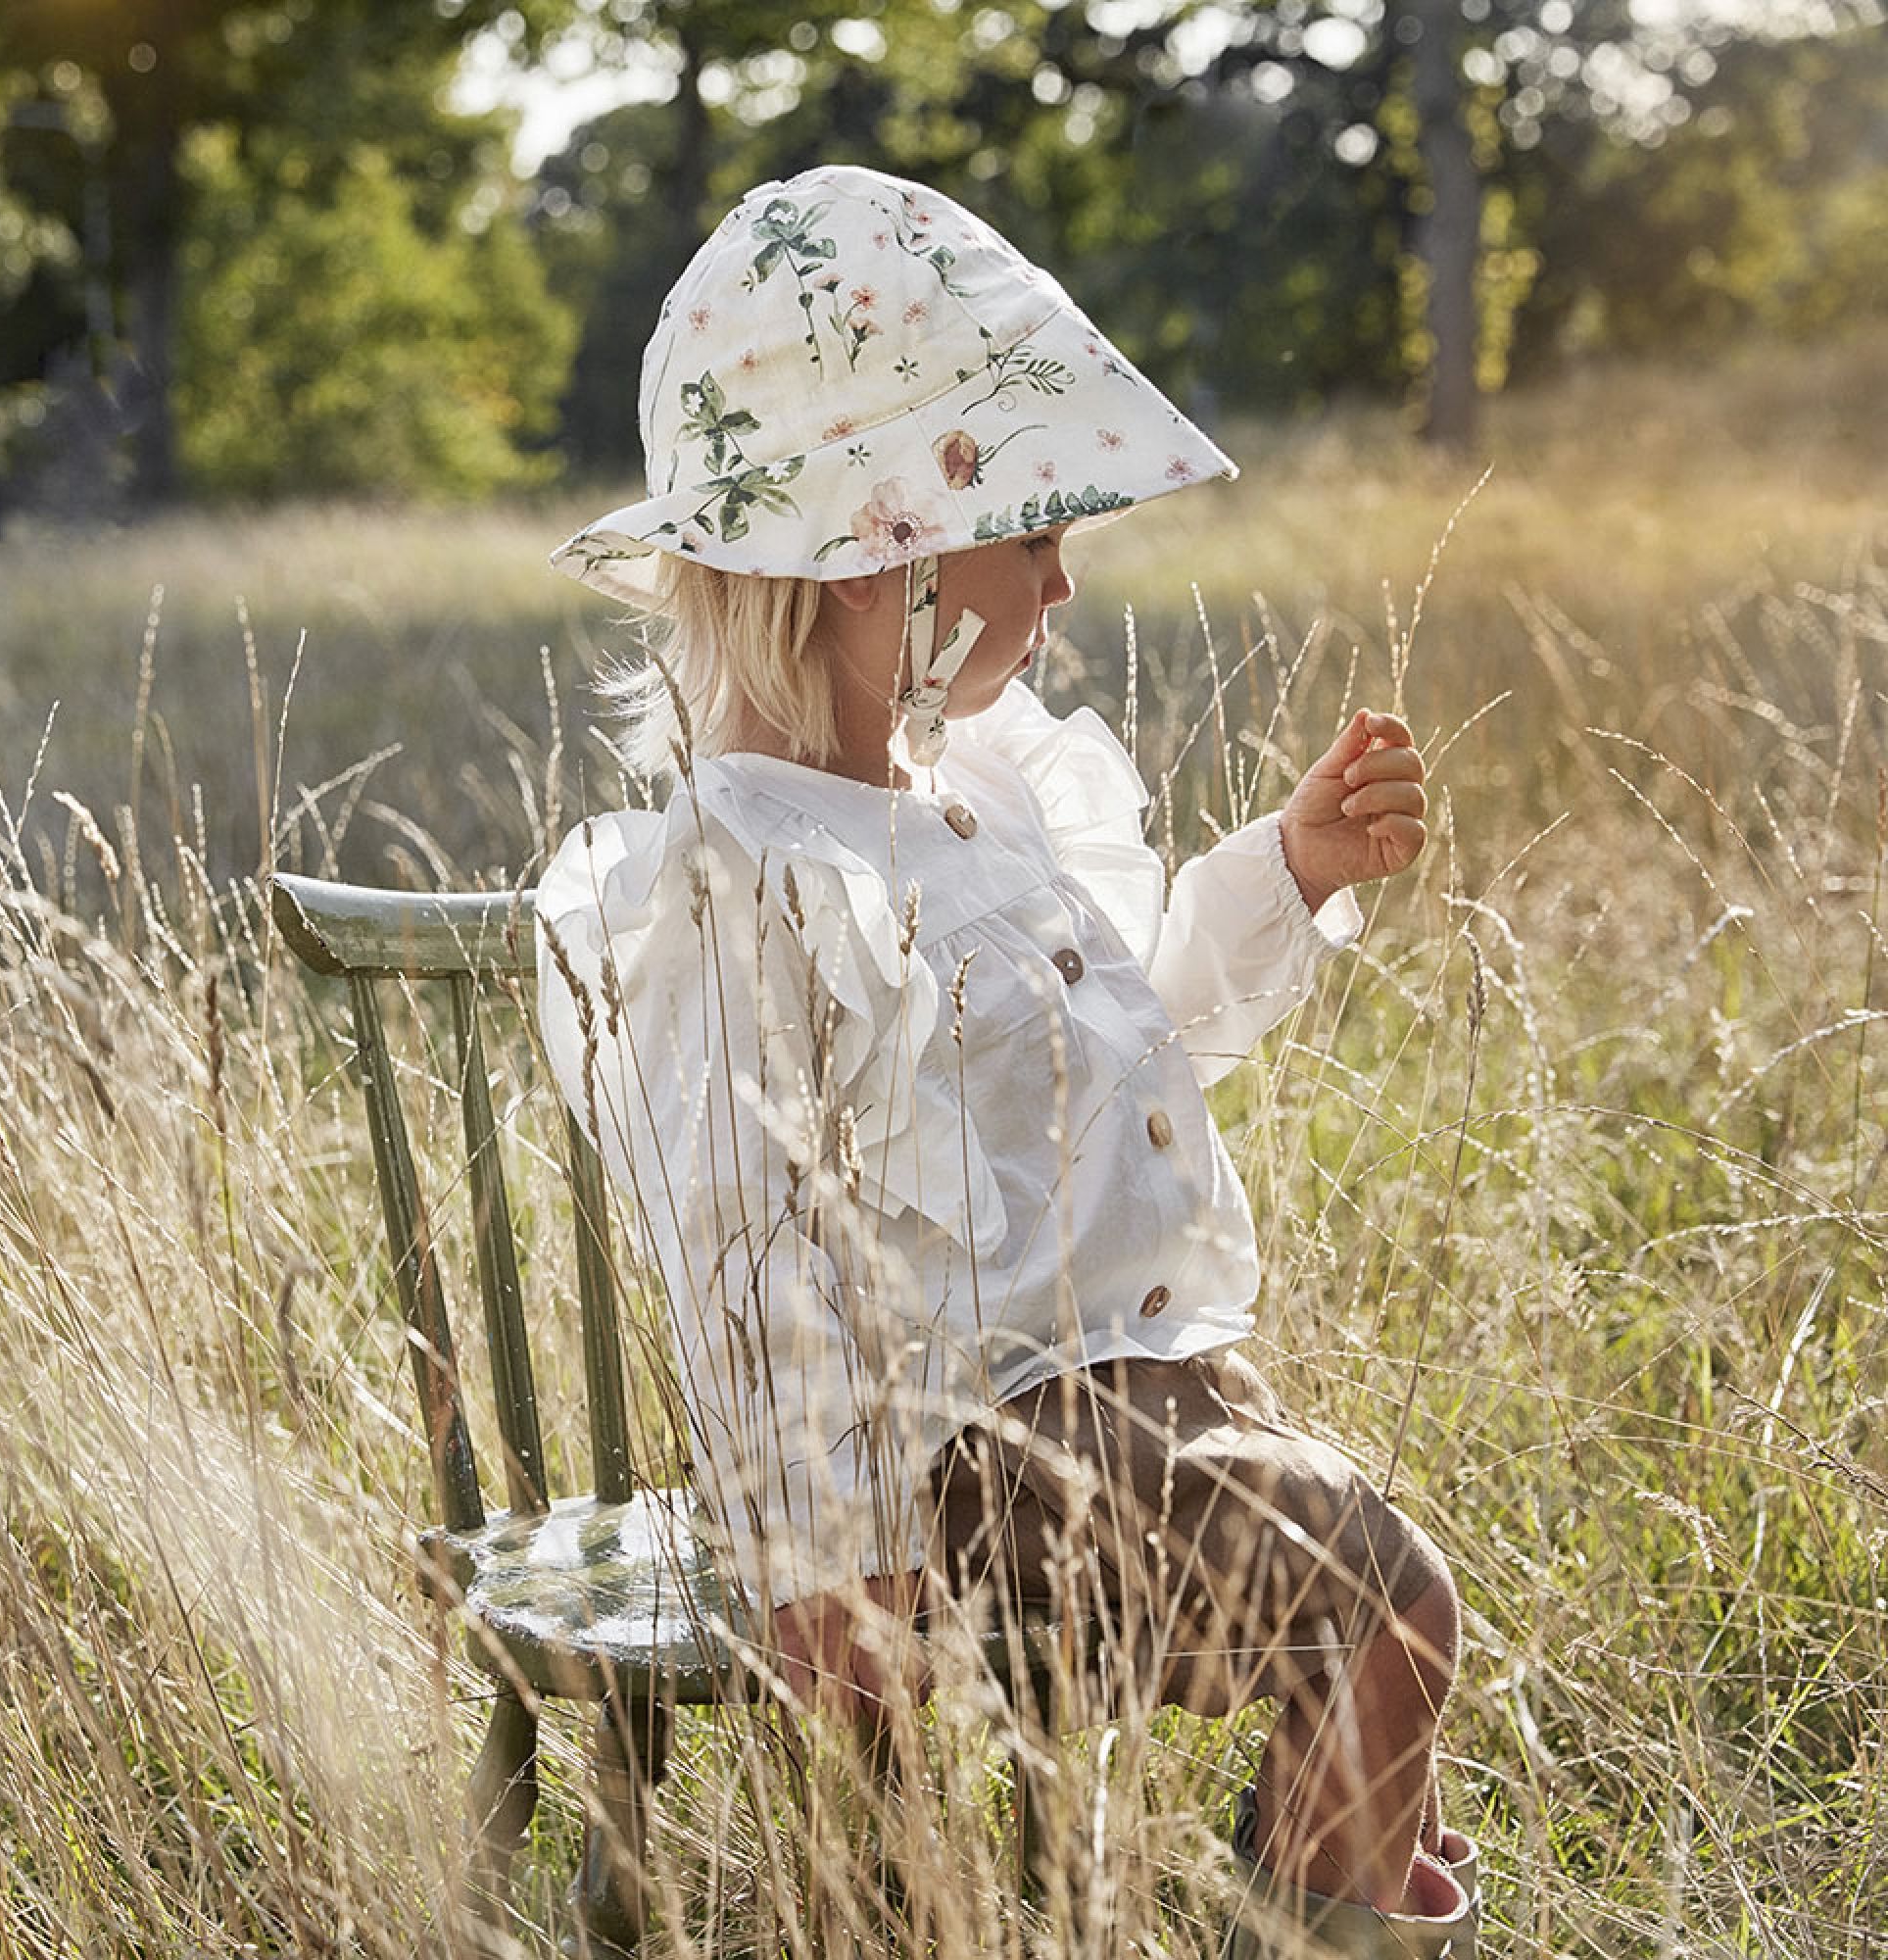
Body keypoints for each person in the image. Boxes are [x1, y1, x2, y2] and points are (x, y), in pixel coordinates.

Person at [537, 165, 1477, 1958]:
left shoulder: (979, 800)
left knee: (1375, 1656)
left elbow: (1134, 1045)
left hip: (1129, 1401)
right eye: (1032, 529)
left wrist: (1282, 875)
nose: (1057, 581)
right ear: (876, 555)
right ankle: (1315, 1912)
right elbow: (741, 1244)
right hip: (950, 1467)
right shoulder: (741, 880)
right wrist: (831, 1550)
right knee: (1385, 1609)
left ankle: (1319, 1893)